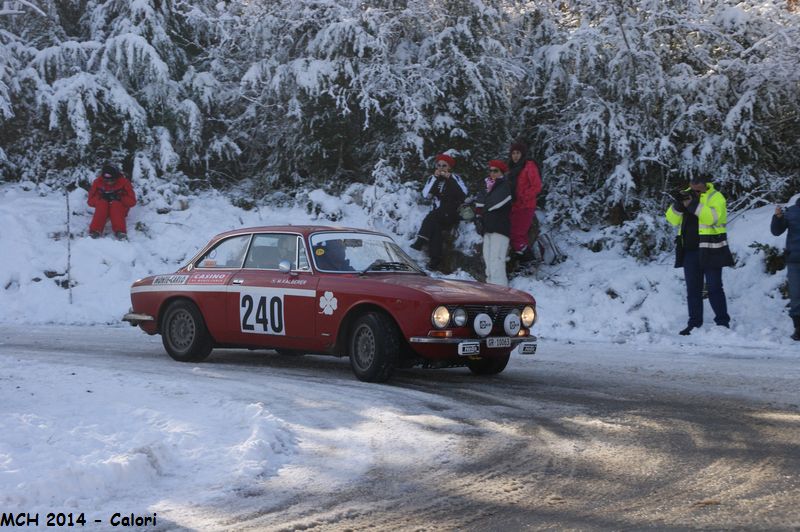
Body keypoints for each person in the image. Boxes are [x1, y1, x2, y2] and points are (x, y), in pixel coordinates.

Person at [665, 174, 734, 335]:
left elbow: (713, 219)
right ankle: (694, 323)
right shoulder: (686, 195)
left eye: (697, 190)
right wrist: (679, 205)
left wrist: (693, 204)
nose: (694, 192)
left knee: (714, 287)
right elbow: (672, 219)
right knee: (693, 290)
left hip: (712, 249)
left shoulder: (717, 197)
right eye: (692, 189)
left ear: (705, 186)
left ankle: (722, 323)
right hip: (689, 251)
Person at [474, 160, 513, 286]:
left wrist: (482, 204)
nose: (492, 173)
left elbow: (493, 204)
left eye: (495, 171)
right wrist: (479, 218)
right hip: (488, 229)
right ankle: (491, 291)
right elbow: (479, 204)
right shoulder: (487, 187)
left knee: (497, 261)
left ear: (501, 172)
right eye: (490, 170)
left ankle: (501, 292)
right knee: (488, 263)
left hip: (500, 229)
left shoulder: (505, 186)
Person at [506, 142, 542, 261]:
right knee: (519, 235)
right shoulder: (512, 168)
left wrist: (522, 196)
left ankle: (529, 261)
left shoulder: (529, 165)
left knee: (515, 235)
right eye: (513, 153)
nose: (515, 156)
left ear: (523, 154)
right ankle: (524, 263)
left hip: (525, 206)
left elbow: (536, 186)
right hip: (514, 206)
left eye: (518, 153)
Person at [770, 198, 800, 340]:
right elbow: (776, 231)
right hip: (795, 259)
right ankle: (798, 328)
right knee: (796, 295)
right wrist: (778, 217)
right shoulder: (791, 211)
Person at [87, 164, 136, 239]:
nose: (109, 182)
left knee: (116, 204)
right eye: (106, 180)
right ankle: (95, 231)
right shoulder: (97, 182)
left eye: (112, 180)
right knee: (102, 203)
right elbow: (90, 201)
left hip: (119, 209)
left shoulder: (124, 182)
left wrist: (120, 198)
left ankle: (120, 231)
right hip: (103, 210)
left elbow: (132, 201)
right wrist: (101, 197)